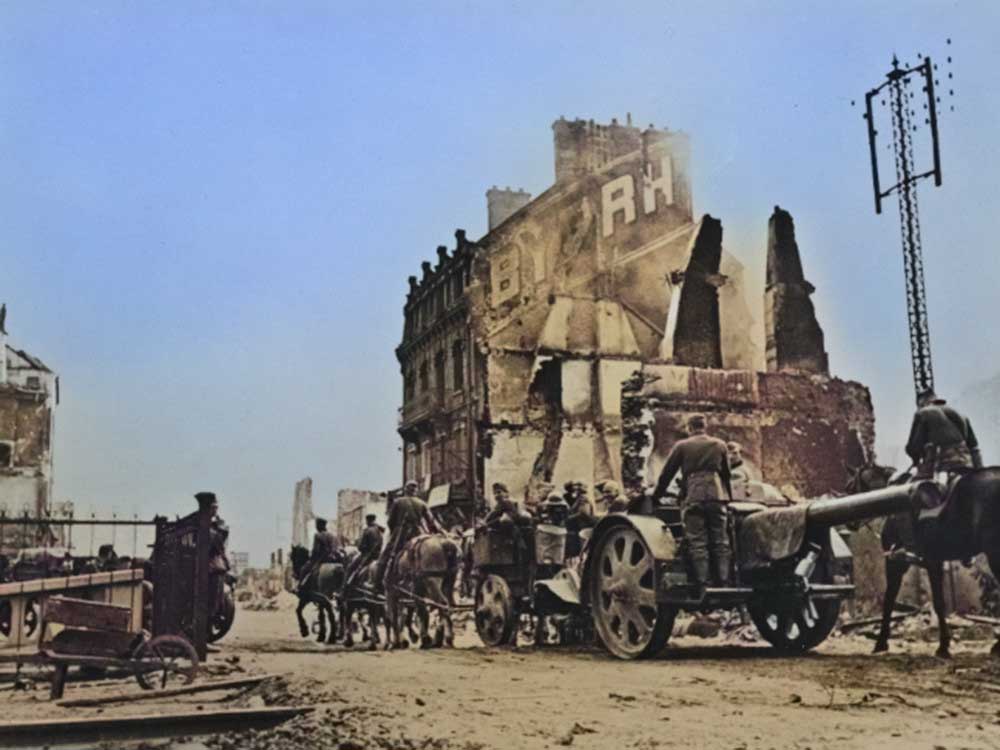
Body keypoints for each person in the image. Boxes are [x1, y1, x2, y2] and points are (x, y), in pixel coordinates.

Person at [653, 414, 733, 589]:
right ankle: (724, 582)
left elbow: (667, 474)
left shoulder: (682, 446)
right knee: (721, 540)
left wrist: (656, 496)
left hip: (694, 495)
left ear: (689, 428)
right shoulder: (720, 445)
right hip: (717, 496)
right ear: (704, 427)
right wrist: (729, 498)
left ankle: (703, 584)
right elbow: (726, 475)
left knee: (698, 540)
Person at [374, 480, 441, 592]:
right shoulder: (422, 503)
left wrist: (394, 531)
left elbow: (390, 522)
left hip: (401, 534)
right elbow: (432, 522)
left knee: (385, 556)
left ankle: (378, 584)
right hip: (419, 533)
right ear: (416, 491)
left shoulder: (397, 502)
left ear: (405, 490)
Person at [906, 389, 982, 478]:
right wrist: (979, 470)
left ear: (921, 402)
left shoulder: (922, 413)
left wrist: (916, 460)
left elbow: (913, 447)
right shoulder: (961, 415)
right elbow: (974, 446)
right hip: (967, 464)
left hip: (942, 465)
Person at [299, 517, 340, 590]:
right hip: (332, 559)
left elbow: (316, 550)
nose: (316, 527)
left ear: (320, 525)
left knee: (304, 569)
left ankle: (301, 586)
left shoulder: (318, 535)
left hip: (321, 559)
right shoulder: (332, 535)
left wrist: (311, 559)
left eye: (317, 525)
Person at [346, 513, 383, 588]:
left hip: (366, 556)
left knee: (350, 568)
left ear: (367, 521)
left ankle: (343, 591)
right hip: (378, 556)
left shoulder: (367, 531)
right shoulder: (379, 531)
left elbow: (360, 547)